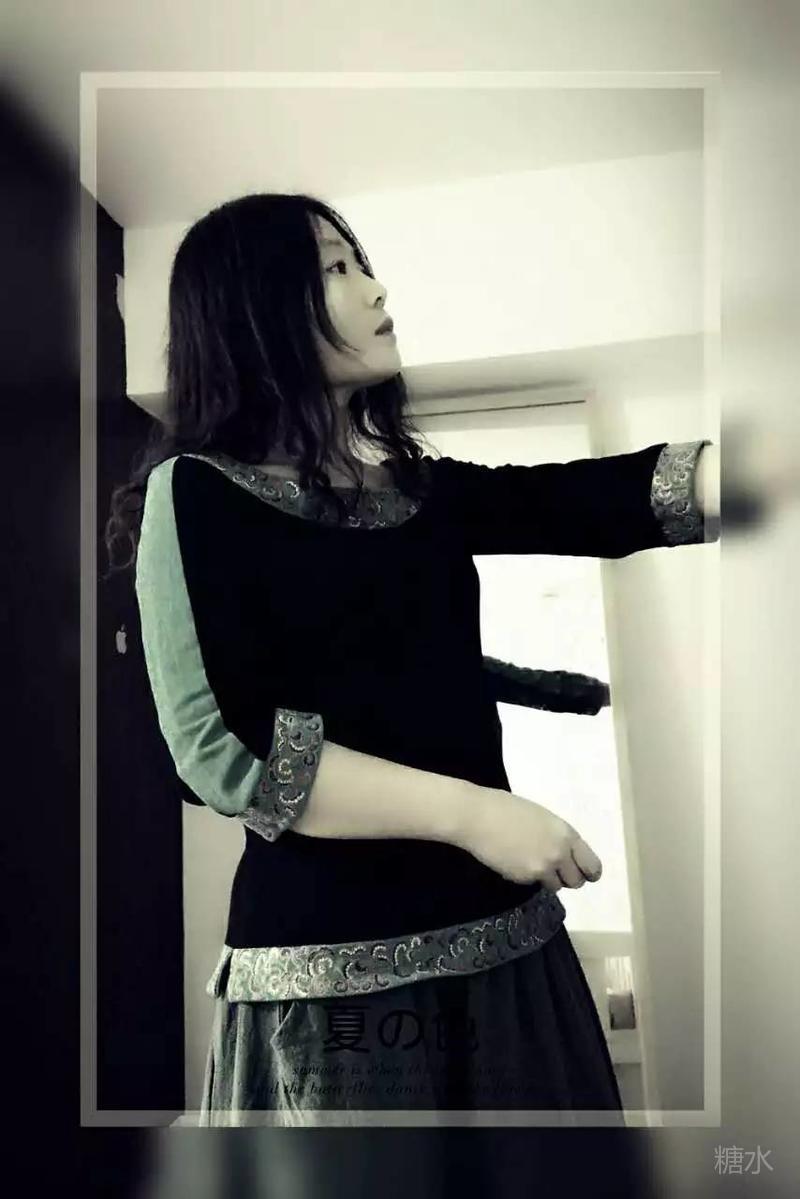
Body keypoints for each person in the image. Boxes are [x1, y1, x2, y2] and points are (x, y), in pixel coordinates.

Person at [104, 192, 719, 1128]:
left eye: (361, 263)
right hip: (336, 988)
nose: (377, 288)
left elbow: (575, 497)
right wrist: (476, 814)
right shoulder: (191, 494)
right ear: (253, 305)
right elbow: (223, 750)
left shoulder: (415, 491)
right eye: (335, 268)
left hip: (513, 951)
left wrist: (745, 468)